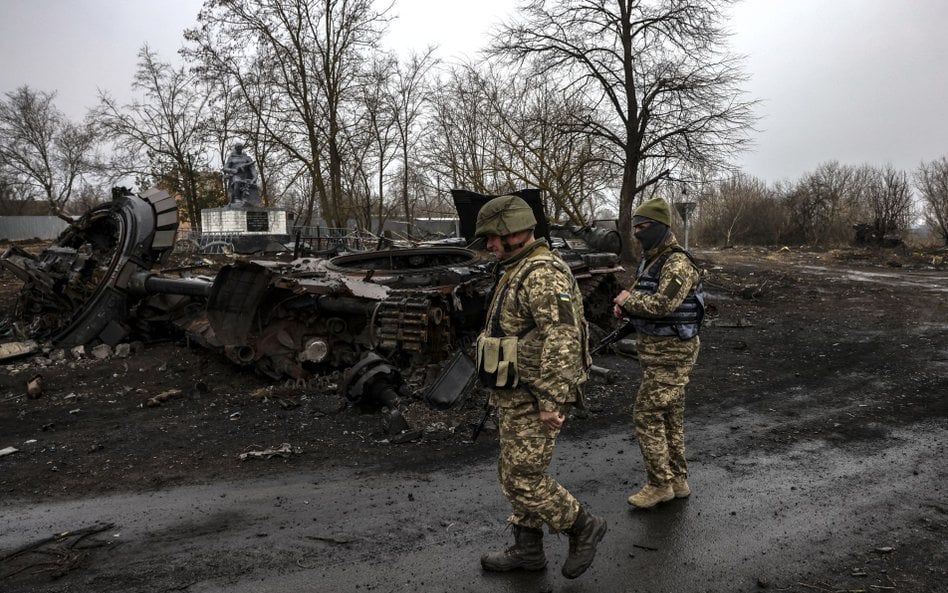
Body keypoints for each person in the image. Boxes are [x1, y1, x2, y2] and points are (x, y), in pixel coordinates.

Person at [474, 194, 607, 580]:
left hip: (536, 396)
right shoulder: (517, 268)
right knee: (513, 470)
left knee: (523, 477)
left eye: (492, 237)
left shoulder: (542, 272)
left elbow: (562, 338)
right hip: (516, 392)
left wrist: (551, 400)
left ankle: (583, 526)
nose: (489, 245)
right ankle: (528, 551)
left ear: (514, 231)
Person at [612, 197, 705, 509]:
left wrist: (627, 301)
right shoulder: (654, 258)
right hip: (657, 353)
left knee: (647, 413)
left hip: (672, 354)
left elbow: (664, 304)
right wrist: (627, 306)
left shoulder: (677, 262)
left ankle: (658, 484)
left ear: (661, 226)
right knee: (669, 417)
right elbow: (645, 297)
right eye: (635, 226)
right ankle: (677, 480)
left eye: (644, 226)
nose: (637, 232)